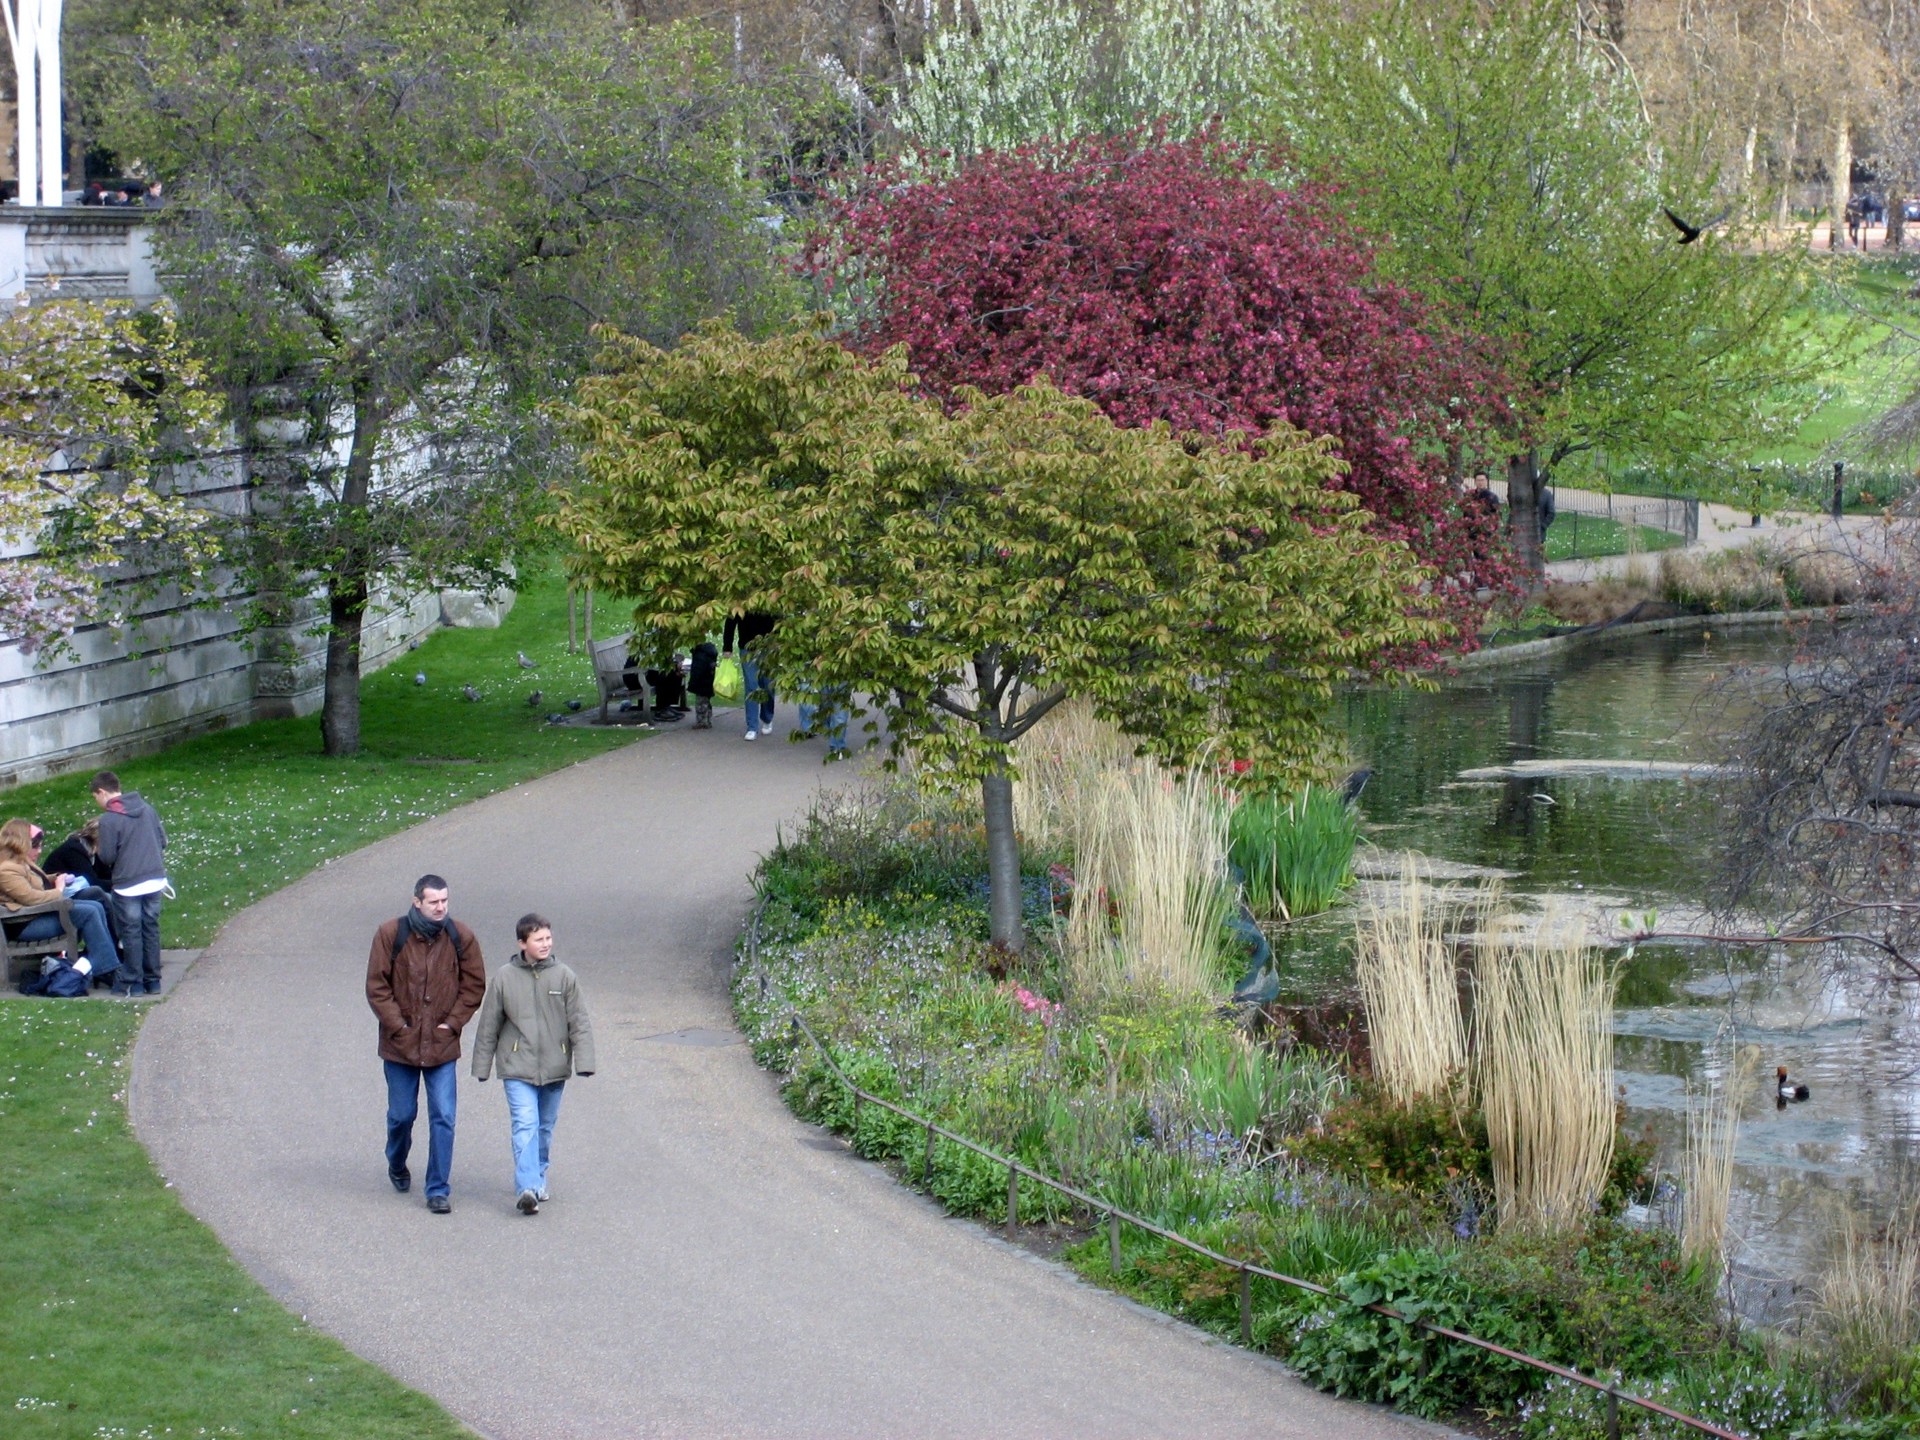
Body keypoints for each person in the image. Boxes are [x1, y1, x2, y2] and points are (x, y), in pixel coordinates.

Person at [365, 874, 486, 1214]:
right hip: (400, 1045)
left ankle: (438, 1188)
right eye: (434, 901)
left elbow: (474, 985)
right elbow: (377, 986)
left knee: (444, 1116)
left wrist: (452, 1023)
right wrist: (399, 1025)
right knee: (401, 1115)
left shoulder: (460, 936)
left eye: (445, 901)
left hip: (442, 1046)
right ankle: (397, 1161)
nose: (441, 907)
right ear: (417, 901)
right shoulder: (391, 934)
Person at [470, 913, 595, 1216]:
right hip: (517, 1065)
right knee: (525, 1123)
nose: (545, 944)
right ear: (522, 943)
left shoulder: (564, 976)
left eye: (548, 938)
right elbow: (489, 1024)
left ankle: (538, 1177)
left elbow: (579, 1021)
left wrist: (585, 1060)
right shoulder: (504, 977)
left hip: (554, 1065)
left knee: (544, 1127)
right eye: (538, 939)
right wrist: (482, 1066)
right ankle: (527, 1187)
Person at [0, 818, 122, 989]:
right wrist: (59, 889)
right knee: (89, 912)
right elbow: (31, 898)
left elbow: (36, 882)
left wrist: (57, 877)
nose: (39, 851)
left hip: (36, 916)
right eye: (35, 846)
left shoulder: (21, 863)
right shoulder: (6, 870)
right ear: (20, 843)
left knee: (95, 905)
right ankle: (107, 969)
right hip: (24, 925)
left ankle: (107, 965)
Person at [92, 770, 168, 997]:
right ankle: (153, 981)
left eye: (95, 797)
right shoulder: (147, 809)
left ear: (102, 792)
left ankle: (133, 982)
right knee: (151, 928)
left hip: (128, 884)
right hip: (155, 879)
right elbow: (162, 841)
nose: (97, 802)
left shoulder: (108, 820)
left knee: (131, 931)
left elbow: (107, 858)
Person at [722, 612, 778, 741]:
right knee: (751, 685)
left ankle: (767, 717)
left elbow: (779, 617)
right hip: (747, 647)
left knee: (768, 685)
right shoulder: (740, 598)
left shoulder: (770, 595)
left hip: (769, 647)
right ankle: (752, 727)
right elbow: (731, 621)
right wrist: (727, 646)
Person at [686, 640, 718, 729]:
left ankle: (701, 721)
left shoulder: (700, 655)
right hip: (708, 682)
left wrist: (692, 683)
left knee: (700, 703)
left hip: (701, 683)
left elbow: (697, 671)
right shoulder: (709, 654)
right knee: (706, 702)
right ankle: (707, 720)